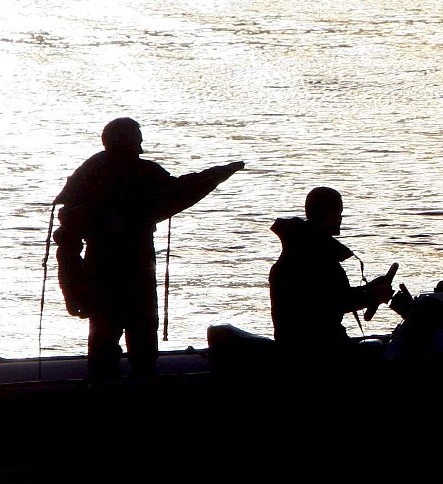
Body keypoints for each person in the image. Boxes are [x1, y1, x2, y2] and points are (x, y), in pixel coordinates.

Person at [54, 118, 244, 383]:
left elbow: (67, 241)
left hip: (102, 275)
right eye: (137, 138)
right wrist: (216, 175)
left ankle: (102, 395)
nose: (141, 143)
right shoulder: (141, 174)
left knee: (104, 343)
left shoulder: (87, 176)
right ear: (129, 141)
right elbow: (179, 192)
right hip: (132, 276)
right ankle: (137, 397)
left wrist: (74, 289)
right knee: (135, 347)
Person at [269, 186, 396, 376]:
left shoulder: (302, 250)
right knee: (379, 356)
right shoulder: (311, 257)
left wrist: (370, 290)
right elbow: (331, 302)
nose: (341, 218)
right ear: (329, 214)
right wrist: (371, 295)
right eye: (339, 212)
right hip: (317, 352)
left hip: (303, 347)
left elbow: (330, 295)